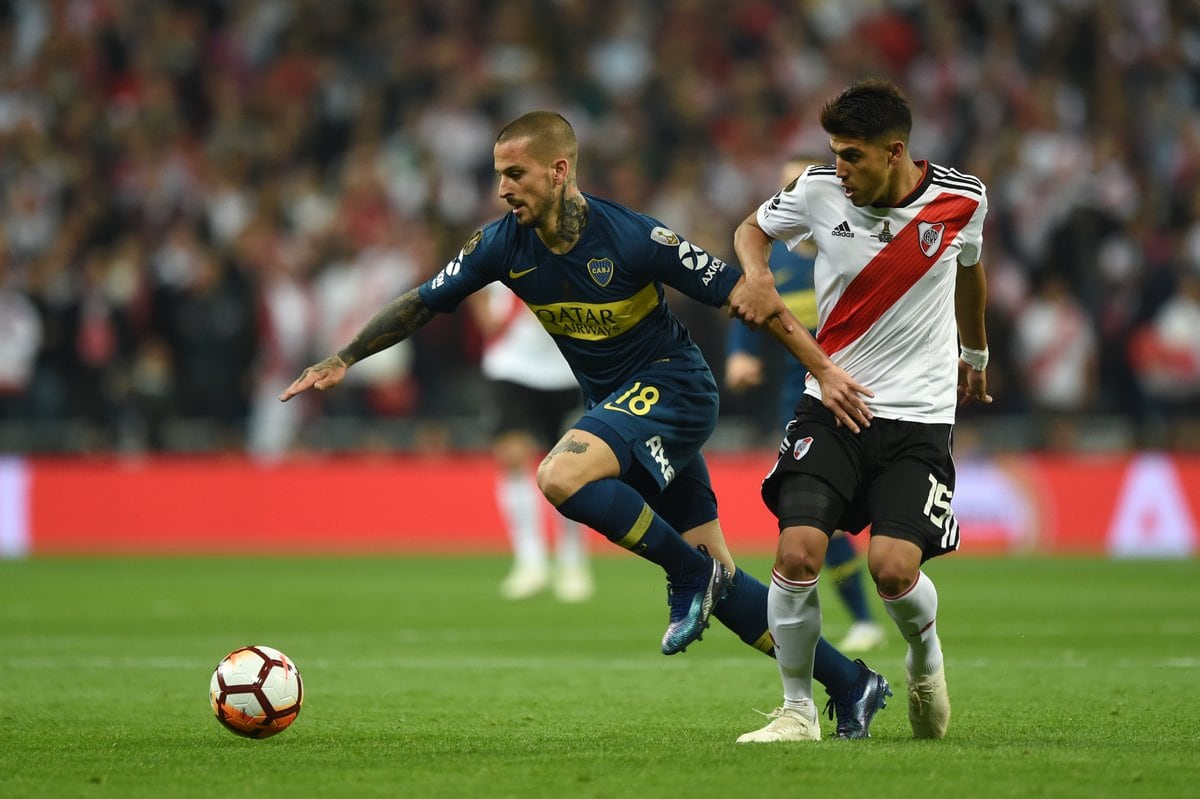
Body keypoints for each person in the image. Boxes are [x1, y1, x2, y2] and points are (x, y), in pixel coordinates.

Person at [280, 110, 889, 738]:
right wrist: (343, 357)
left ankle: (687, 573)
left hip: (675, 389)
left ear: (559, 170)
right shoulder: (501, 244)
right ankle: (851, 683)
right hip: (624, 408)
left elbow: (751, 298)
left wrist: (824, 372)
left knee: (560, 475)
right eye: (498, 176)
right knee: (727, 582)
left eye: (515, 174)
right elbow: (422, 302)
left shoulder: (632, 238)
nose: (503, 189)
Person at [729, 79, 992, 742]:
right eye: (835, 154)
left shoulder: (962, 198)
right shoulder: (818, 191)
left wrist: (977, 350)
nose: (838, 169)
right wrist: (757, 273)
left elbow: (971, 268)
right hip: (831, 406)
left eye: (851, 156)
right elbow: (750, 230)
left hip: (919, 417)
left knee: (894, 569)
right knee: (796, 551)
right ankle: (796, 710)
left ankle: (925, 662)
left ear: (895, 151)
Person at [724, 153, 886, 654]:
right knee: (817, 517)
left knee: (827, 519)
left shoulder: (858, 249)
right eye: (782, 187)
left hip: (863, 397)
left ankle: (858, 618)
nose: (790, 196)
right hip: (799, 405)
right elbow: (747, 305)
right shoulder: (781, 267)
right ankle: (857, 619)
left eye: (797, 184)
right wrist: (739, 356)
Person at [467, 282, 593, 602]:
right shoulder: (496, 241)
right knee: (511, 455)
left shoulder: (575, 245)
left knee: (570, 467)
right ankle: (530, 560)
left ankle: (572, 559)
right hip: (511, 366)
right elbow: (476, 292)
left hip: (567, 370)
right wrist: (493, 315)